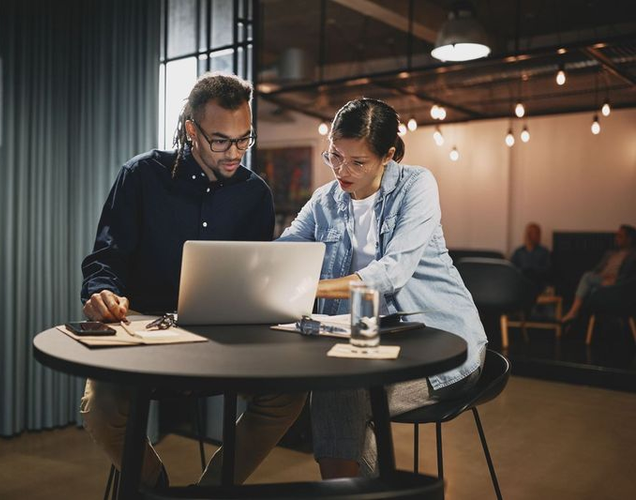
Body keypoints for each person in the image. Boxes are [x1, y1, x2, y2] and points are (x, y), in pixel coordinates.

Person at [79, 72, 307, 487]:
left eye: (244, 139)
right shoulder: (141, 176)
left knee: (289, 394)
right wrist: (102, 291)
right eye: (220, 140)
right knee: (101, 408)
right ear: (191, 130)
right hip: (143, 336)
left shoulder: (256, 195)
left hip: (223, 341)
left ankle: (211, 492)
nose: (234, 152)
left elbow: (255, 282)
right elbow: (106, 258)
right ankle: (155, 488)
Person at [277, 97, 488, 479]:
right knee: (338, 388)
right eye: (335, 156)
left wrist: (312, 288)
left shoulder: (416, 185)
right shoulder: (324, 201)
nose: (342, 170)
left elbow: (392, 272)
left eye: (358, 162)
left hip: (441, 347)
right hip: (366, 342)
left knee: (340, 393)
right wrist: (255, 270)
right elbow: (287, 250)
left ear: (388, 155)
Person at [560, 224, 636, 323]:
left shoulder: (633, 256)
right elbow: (596, 270)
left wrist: (615, 281)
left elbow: (629, 276)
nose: (616, 238)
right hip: (602, 281)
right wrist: (601, 277)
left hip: (617, 286)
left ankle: (573, 313)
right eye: (616, 235)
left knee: (587, 278)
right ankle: (578, 324)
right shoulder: (610, 253)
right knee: (590, 284)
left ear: (629, 239)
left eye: (620, 236)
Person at [511, 222, 551, 290]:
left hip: (538, 284)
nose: (529, 235)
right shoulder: (518, 252)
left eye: (534, 233)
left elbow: (547, 270)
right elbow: (512, 269)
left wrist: (532, 270)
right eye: (528, 232)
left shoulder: (544, 252)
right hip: (521, 284)